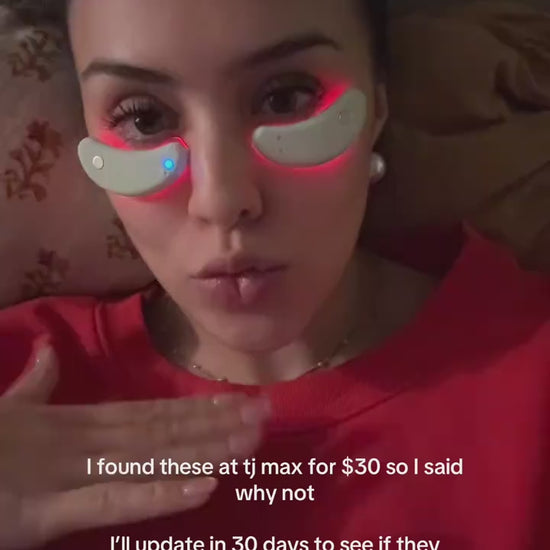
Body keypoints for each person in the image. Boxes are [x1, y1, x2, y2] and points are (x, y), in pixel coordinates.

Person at [0, 0, 549, 549]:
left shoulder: (531, 381)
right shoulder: (21, 381)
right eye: (144, 119)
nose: (221, 201)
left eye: (285, 99)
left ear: (378, 107)